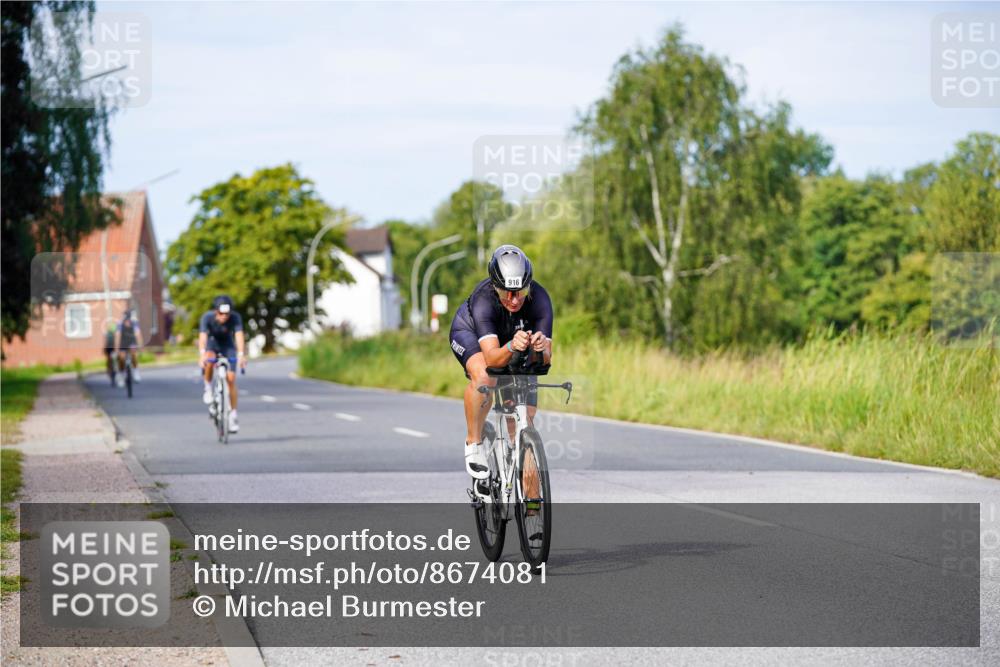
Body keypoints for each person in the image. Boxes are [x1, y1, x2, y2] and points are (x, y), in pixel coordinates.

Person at [449, 245, 553, 479]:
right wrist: (510, 346)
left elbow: (546, 360)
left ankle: (532, 506)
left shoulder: (540, 299)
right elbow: (492, 358)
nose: (515, 300)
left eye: (521, 291)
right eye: (507, 292)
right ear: (495, 286)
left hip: (514, 341)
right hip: (471, 334)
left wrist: (540, 347)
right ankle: (474, 443)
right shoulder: (483, 300)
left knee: (525, 423)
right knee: (487, 376)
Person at [198, 295, 247, 433]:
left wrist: (242, 355)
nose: (224, 316)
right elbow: (203, 337)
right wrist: (202, 353)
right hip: (212, 344)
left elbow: (239, 335)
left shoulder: (235, 318)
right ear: (215, 311)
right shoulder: (207, 318)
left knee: (231, 379)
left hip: (227, 345)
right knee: (209, 359)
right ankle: (207, 387)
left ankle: (232, 415)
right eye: (221, 313)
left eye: (227, 313)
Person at [114, 310, 143, 386]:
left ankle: (136, 372)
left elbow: (138, 335)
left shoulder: (134, 323)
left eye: (129, 320)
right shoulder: (120, 324)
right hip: (123, 342)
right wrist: (117, 348)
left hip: (131, 341)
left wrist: (140, 346)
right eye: (126, 320)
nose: (128, 322)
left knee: (133, 353)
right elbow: (118, 336)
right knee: (122, 358)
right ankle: (121, 376)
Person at [103, 321, 117, 385]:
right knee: (109, 361)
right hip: (109, 349)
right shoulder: (107, 334)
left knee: (114, 360)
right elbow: (105, 342)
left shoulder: (114, 334)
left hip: (113, 349)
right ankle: (109, 371)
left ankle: (113, 370)